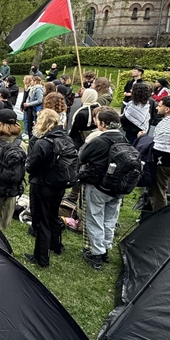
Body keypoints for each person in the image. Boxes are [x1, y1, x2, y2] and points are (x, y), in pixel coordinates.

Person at [78, 108, 129, 270]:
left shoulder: (100, 140)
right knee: (110, 219)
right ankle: (106, 248)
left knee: (95, 218)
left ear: (103, 124)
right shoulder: (124, 139)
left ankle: (96, 253)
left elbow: (82, 156)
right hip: (118, 186)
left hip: (98, 185)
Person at [24, 108, 72, 267]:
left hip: (42, 185)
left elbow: (31, 166)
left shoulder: (43, 142)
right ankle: (56, 246)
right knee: (53, 215)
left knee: (41, 221)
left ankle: (41, 258)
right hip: (60, 184)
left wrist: (28, 163)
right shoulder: (66, 138)